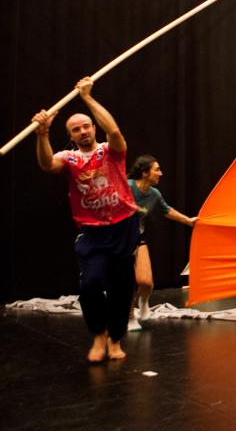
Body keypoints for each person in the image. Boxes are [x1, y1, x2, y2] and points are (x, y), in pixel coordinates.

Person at [32, 77, 140, 363]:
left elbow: (114, 129)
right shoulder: (68, 158)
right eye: (75, 129)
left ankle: (116, 340)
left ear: (93, 128)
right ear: (70, 135)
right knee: (91, 284)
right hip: (91, 232)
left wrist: (88, 98)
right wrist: (42, 133)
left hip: (123, 226)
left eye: (86, 126)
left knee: (122, 287)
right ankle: (98, 335)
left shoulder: (111, 150)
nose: (82, 132)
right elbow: (46, 164)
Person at [127, 155, 197, 331]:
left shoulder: (154, 194)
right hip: (118, 240)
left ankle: (143, 302)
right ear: (144, 173)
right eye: (156, 169)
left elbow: (166, 210)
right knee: (126, 282)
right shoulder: (126, 187)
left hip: (137, 237)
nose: (161, 173)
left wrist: (188, 221)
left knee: (146, 282)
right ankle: (129, 318)